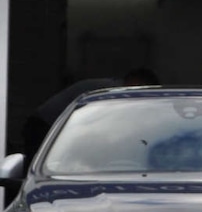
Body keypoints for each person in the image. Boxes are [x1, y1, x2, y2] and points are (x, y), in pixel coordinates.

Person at [20, 66, 160, 160]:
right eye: (143, 89)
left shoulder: (115, 91)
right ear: (136, 82)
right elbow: (106, 127)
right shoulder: (111, 93)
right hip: (43, 125)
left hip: (52, 125)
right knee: (37, 163)